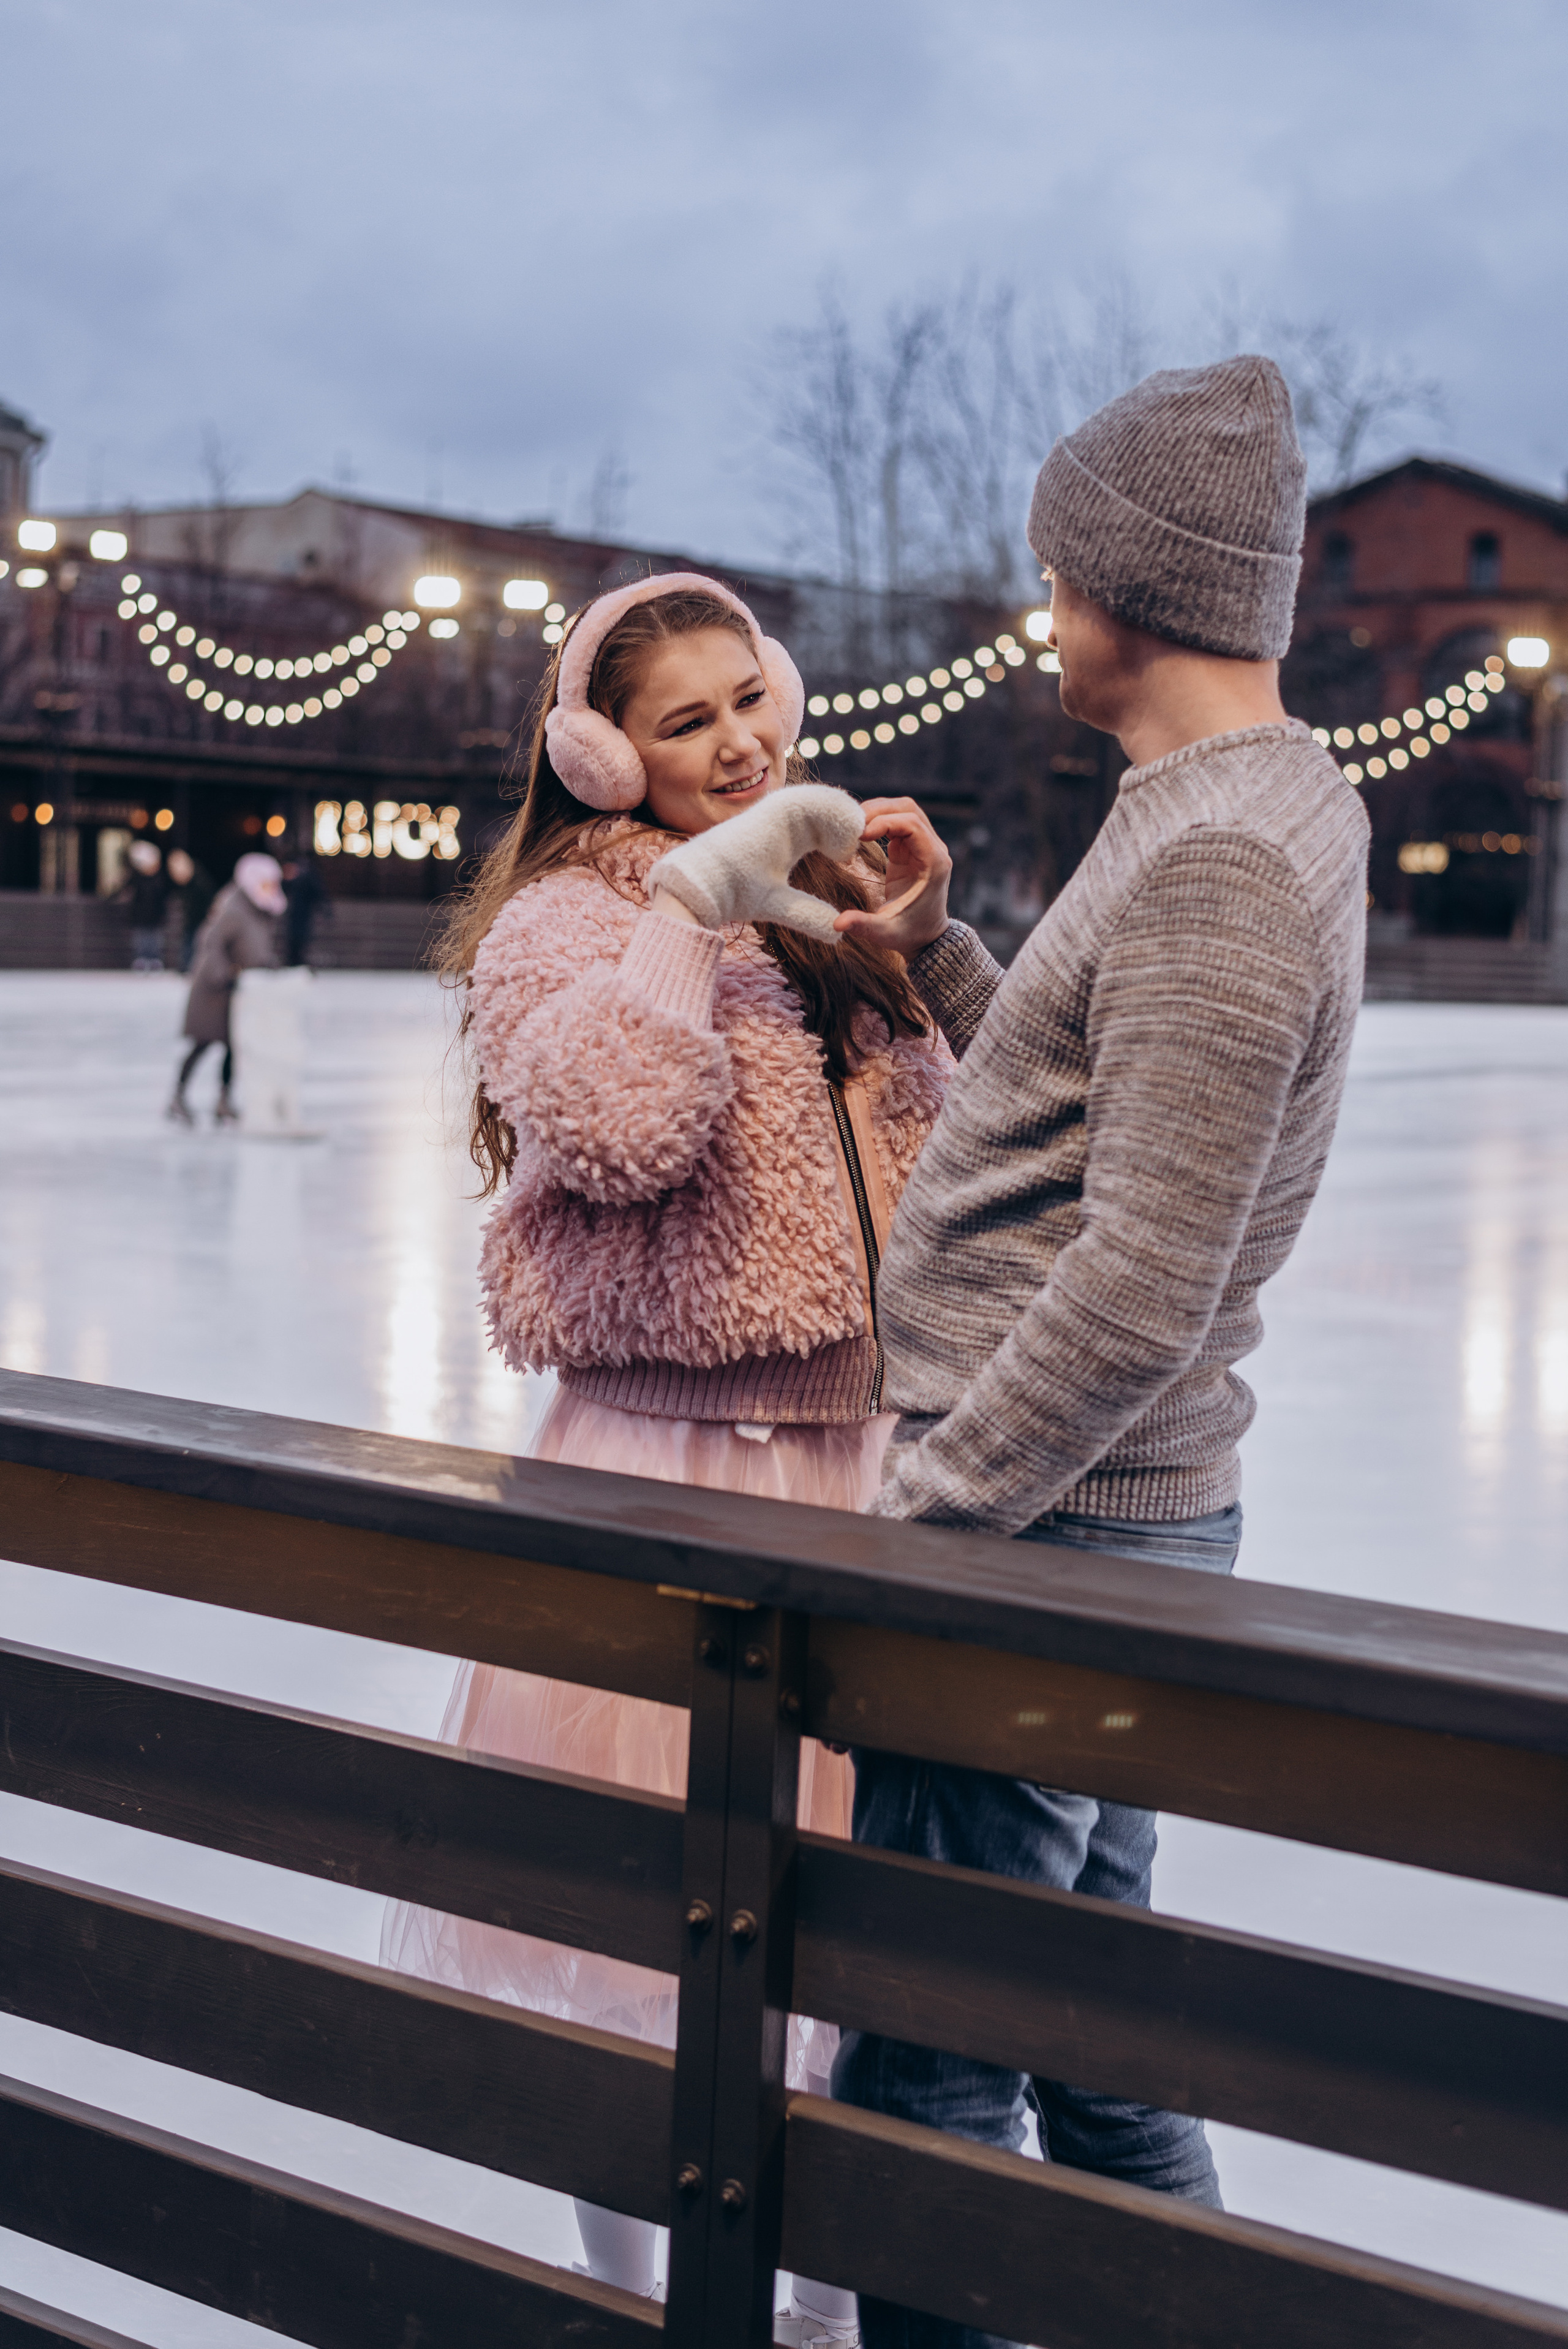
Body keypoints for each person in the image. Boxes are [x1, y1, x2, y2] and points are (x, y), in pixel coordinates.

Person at [825, 357, 1371, 2349]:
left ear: (1135, 589)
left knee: (927, 2066)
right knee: (1094, 2040)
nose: (1043, 608)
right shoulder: (1239, 812)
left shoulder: (1218, 854)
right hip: (1100, 1522)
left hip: (1050, 1530)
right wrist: (940, 958)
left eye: (1059, 572)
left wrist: (933, 1519)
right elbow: (1093, 1127)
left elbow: (1144, 1273)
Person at [379, 573, 952, 2341]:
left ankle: (822, 2313)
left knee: (844, 1955)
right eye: (686, 720)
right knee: (632, 1940)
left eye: (748, 700)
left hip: (861, 1469)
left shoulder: (830, 915)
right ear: (601, 754)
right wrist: (689, 910)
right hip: (667, 1471)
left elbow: (957, 1159)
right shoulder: (563, 924)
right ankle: (632, 2299)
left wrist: (915, 948)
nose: (739, 744)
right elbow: (622, 1125)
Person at [166, 852, 285, 1125]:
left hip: (238, 993)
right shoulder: (234, 908)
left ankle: (224, 1101)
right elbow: (211, 942)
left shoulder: (258, 909)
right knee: (202, 1044)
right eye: (266, 883)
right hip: (214, 992)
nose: (271, 889)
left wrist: (268, 966)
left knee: (233, 1047)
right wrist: (223, 975)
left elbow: (255, 947)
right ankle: (178, 1097)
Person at [118, 838, 167, 970]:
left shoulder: (159, 878)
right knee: (141, 938)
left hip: (155, 916)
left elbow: (163, 896)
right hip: (140, 915)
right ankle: (141, 959)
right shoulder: (137, 877)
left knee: (154, 939)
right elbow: (125, 889)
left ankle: (155, 959)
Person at [165, 846, 215, 972]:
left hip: (201, 918)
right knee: (189, 942)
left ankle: (193, 967)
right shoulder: (190, 881)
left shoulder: (199, 880)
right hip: (193, 918)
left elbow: (207, 897)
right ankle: (188, 967)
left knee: (197, 943)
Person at [281, 855, 328, 967]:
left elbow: (317, 893)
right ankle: (294, 960)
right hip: (296, 913)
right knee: (295, 937)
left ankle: (297, 960)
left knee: (300, 937)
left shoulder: (308, 877)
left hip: (303, 913)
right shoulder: (298, 876)